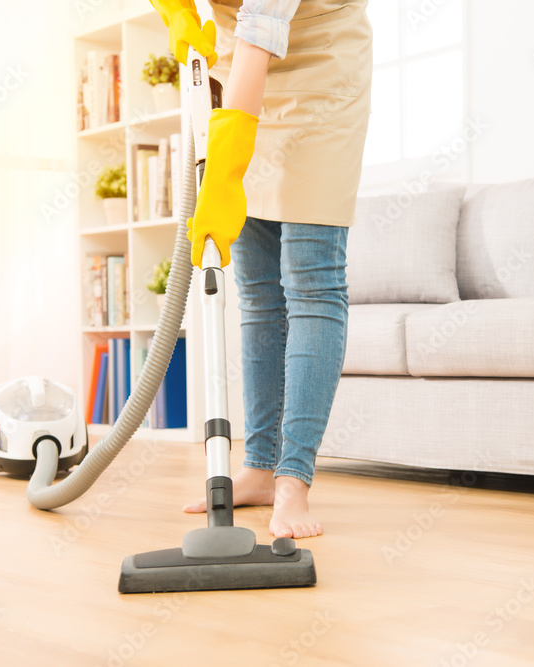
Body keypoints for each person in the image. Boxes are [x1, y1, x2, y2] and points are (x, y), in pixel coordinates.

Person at [149, 0, 373, 539]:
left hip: (322, 65)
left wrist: (225, 174)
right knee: (256, 292)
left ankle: (293, 480)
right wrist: (176, 12)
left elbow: (259, 33)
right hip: (237, 66)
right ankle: (259, 467)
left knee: (312, 281)